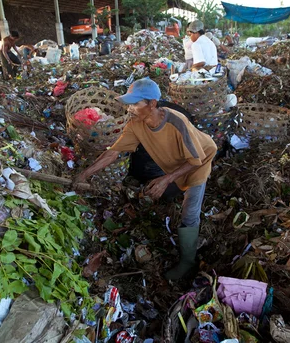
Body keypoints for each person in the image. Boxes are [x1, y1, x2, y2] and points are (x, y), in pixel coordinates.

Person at [74, 78, 217, 280]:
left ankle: (187, 262)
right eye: (130, 104)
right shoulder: (136, 125)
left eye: (135, 104)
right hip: (177, 163)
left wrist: (166, 179)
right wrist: (84, 174)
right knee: (160, 190)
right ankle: (173, 186)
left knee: (189, 211)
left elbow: (195, 160)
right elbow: (113, 152)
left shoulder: (176, 122)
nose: (130, 109)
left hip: (199, 160)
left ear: (152, 104)